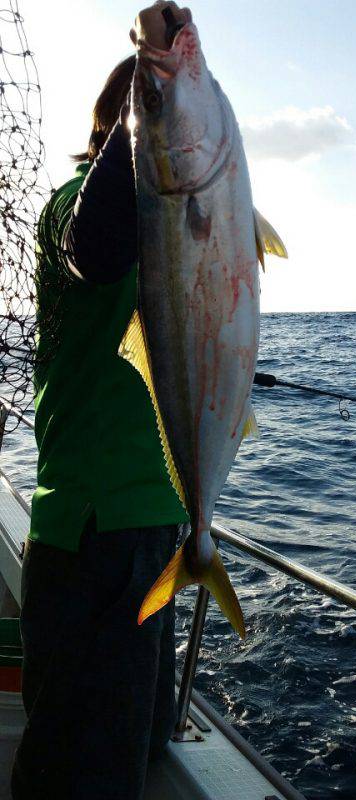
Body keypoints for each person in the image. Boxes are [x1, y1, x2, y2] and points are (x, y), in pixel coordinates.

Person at [11, 3, 192, 798]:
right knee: (78, 768)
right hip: (94, 535)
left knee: (138, 750)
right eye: (152, 113)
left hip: (154, 529)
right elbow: (97, 246)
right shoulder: (74, 205)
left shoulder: (168, 221)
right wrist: (152, 92)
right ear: (121, 126)